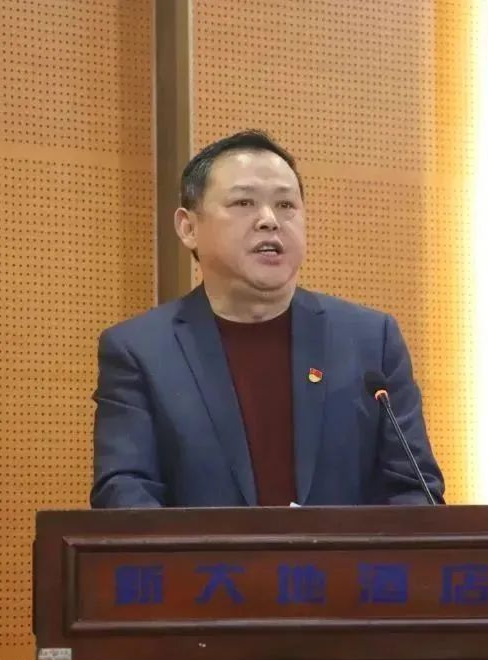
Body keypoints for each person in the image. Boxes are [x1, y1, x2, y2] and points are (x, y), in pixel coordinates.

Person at [91, 130, 445, 508]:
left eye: (286, 204)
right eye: (244, 202)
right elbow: (124, 493)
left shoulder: (371, 340)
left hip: (346, 552)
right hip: (206, 551)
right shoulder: (140, 351)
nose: (269, 220)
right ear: (188, 227)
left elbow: (414, 490)